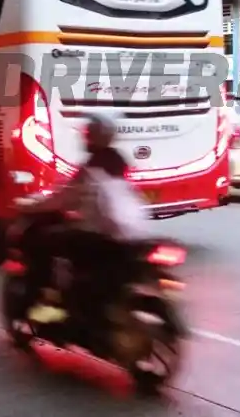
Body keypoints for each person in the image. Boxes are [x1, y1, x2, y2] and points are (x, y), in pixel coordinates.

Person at [18, 115, 152, 337]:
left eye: (87, 135)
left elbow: (63, 199)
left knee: (48, 241)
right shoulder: (120, 162)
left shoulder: (91, 167)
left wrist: (29, 207)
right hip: (135, 235)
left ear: (93, 138)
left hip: (103, 237)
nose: (84, 139)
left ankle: (50, 305)